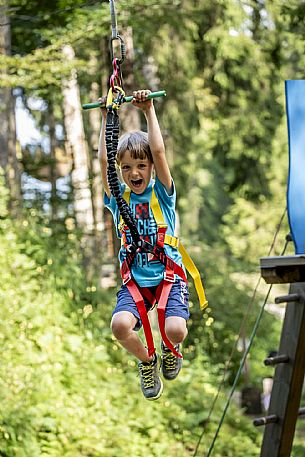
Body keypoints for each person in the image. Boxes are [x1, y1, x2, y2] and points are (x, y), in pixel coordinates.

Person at [98, 89, 190, 401]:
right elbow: (102, 161)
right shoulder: (118, 199)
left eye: (140, 165)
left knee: (176, 329)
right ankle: (147, 360)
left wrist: (148, 109)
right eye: (126, 167)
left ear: (150, 167)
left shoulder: (162, 194)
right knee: (120, 325)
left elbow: (160, 152)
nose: (133, 173)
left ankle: (170, 347)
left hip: (167, 277)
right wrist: (107, 118)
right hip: (136, 281)